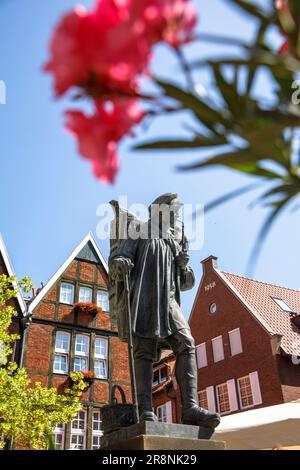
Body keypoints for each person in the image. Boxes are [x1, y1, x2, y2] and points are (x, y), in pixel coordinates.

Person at [109, 193, 220, 429]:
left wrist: (183, 266)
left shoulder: (174, 240)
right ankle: (145, 410)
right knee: (144, 351)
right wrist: (120, 262)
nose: (178, 216)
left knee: (186, 343)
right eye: (175, 211)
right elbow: (120, 256)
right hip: (144, 298)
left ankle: (189, 407)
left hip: (169, 301)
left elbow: (186, 284)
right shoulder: (139, 229)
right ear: (162, 211)